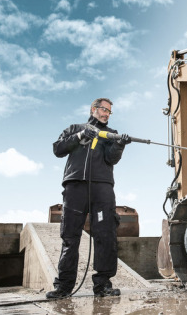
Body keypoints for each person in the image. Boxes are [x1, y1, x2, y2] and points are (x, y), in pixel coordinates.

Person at [46, 98, 131, 298]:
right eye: (103, 110)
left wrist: (119, 144)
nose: (106, 114)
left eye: (110, 112)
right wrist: (81, 135)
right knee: (70, 237)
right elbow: (58, 149)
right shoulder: (74, 128)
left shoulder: (111, 135)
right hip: (75, 186)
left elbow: (112, 158)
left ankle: (103, 285)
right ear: (93, 109)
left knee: (105, 235)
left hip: (102, 188)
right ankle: (64, 287)